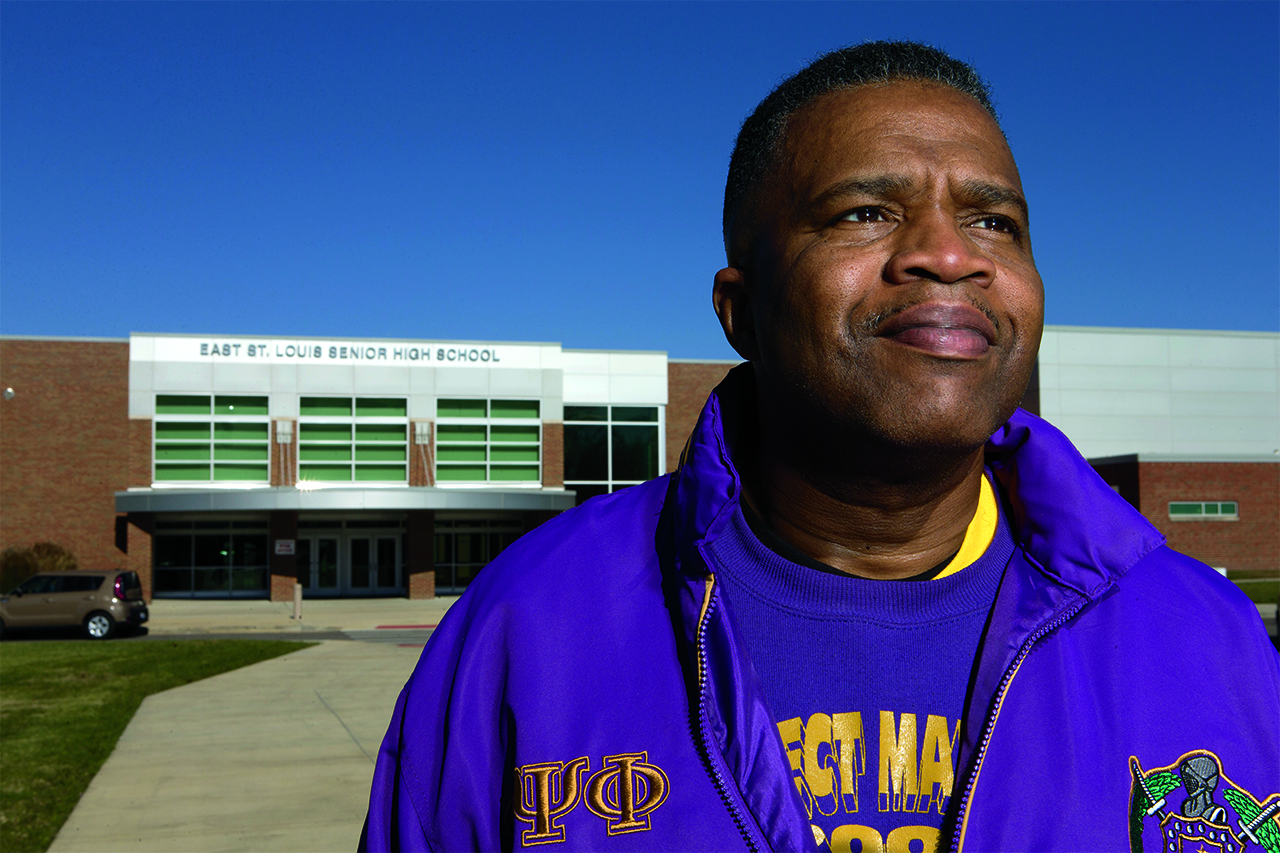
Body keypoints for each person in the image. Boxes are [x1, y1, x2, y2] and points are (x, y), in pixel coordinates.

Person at [361, 41, 1280, 852]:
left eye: (993, 221)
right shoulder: (525, 629)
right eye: (865, 213)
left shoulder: (1209, 639)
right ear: (739, 309)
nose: (947, 254)